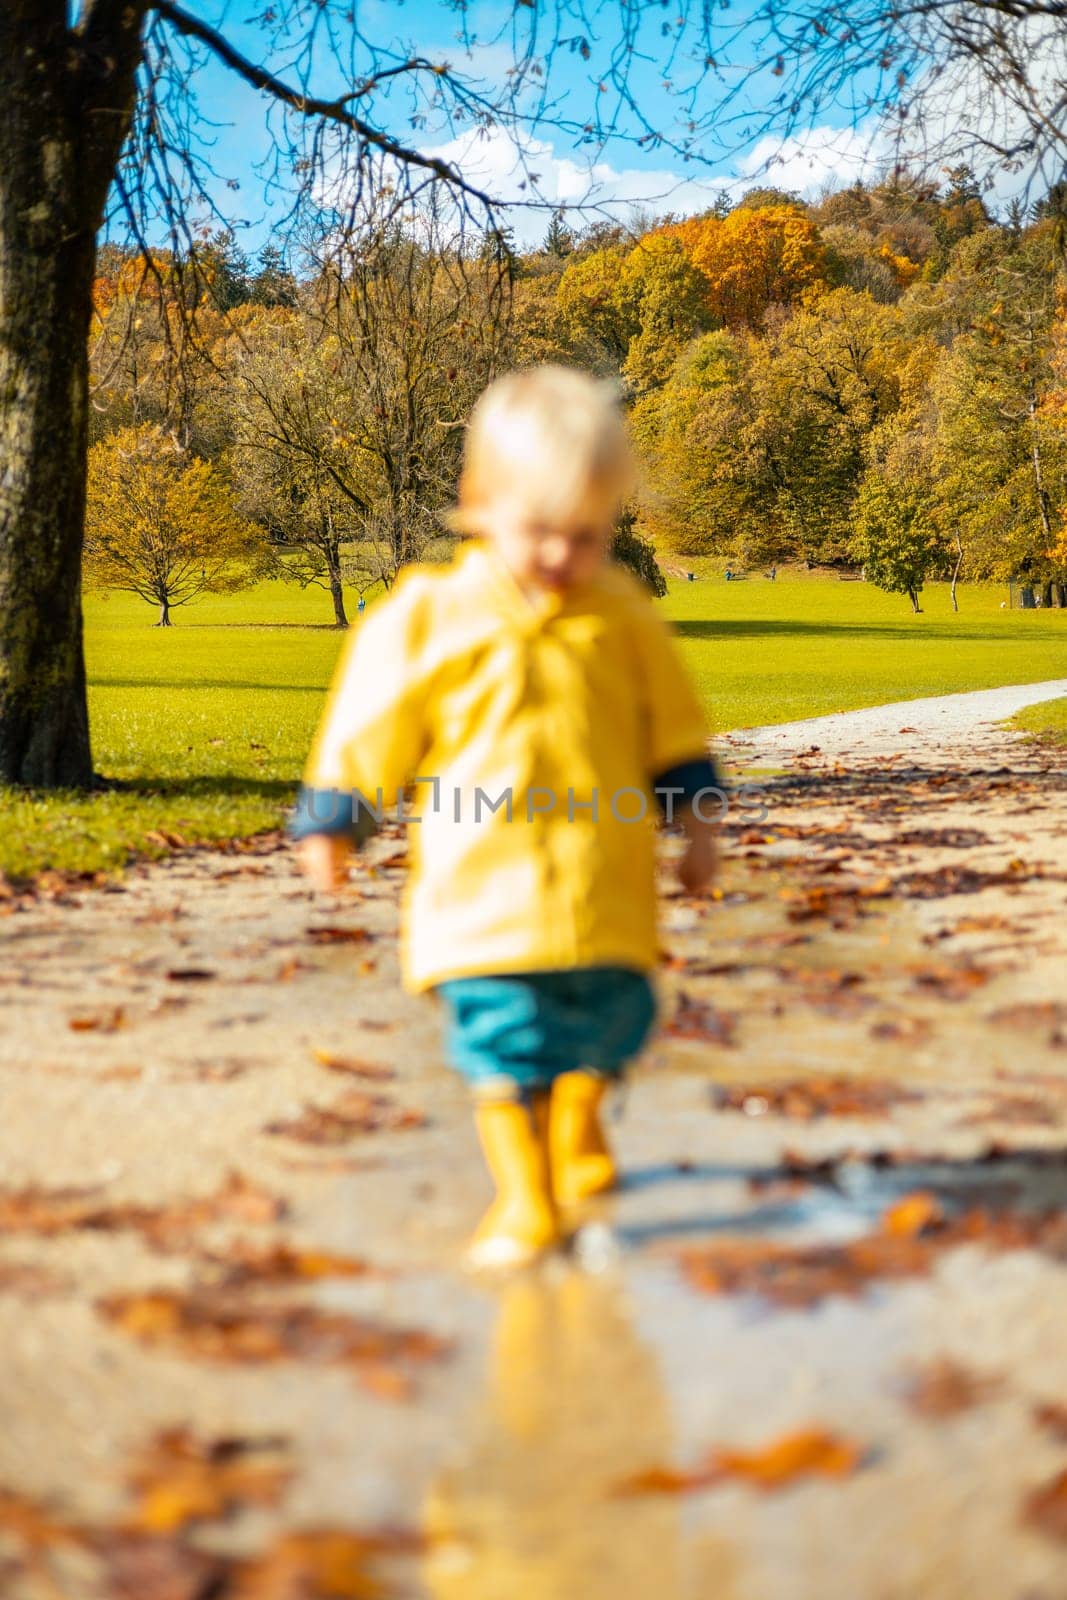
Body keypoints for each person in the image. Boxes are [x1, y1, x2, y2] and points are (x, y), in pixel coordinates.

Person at [290, 366, 721, 1270]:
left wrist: (700, 829)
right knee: (501, 1041)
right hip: (479, 896)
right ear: (479, 503)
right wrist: (336, 817)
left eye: (589, 534)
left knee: (611, 1024)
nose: (565, 557)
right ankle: (526, 1197)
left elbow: (673, 726)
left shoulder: (622, 617)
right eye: (541, 532)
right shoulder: (427, 616)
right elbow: (371, 722)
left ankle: (581, 1124)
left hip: (605, 893)